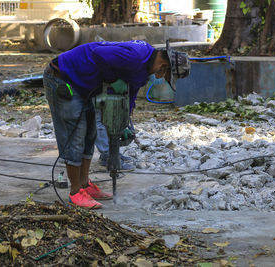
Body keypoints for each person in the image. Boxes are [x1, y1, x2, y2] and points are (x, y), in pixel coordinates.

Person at [43, 40, 190, 208]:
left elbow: (131, 93)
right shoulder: (135, 56)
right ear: (163, 65)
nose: (162, 77)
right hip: (63, 77)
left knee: (90, 134)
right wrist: (112, 79)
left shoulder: (144, 68)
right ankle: (75, 193)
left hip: (82, 85)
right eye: (166, 74)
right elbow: (99, 54)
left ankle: (85, 185)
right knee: (75, 136)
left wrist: (124, 122)